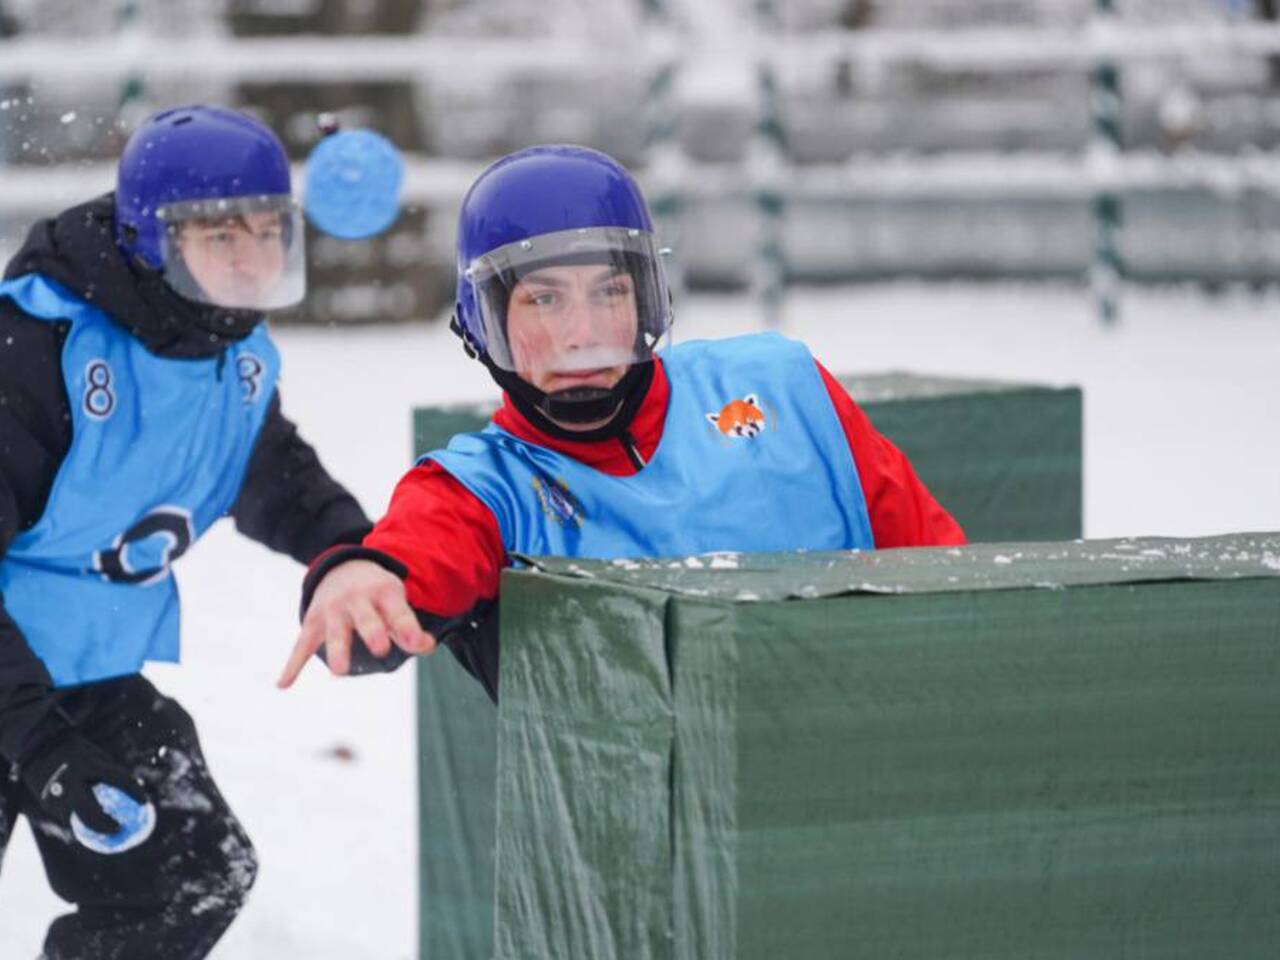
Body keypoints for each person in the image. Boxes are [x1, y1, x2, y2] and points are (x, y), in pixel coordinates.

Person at [279, 144, 965, 699]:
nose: (582, 334)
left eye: (609, 292)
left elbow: (943, 577)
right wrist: (360, 575)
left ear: (648, 302)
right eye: (544, 300)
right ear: (484, 326)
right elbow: (416, 553)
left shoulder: (779, 385)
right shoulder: (482, 488)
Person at [0, 105, 370, 959]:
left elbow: (266, 469)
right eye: (220, 236)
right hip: (11, 677)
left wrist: (351, 552)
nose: (252, 262)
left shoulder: (227, 354)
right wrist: (44, 748)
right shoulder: (34, 351)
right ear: (150, 243)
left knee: (195, 873)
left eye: (269, 233)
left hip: (83, 675)